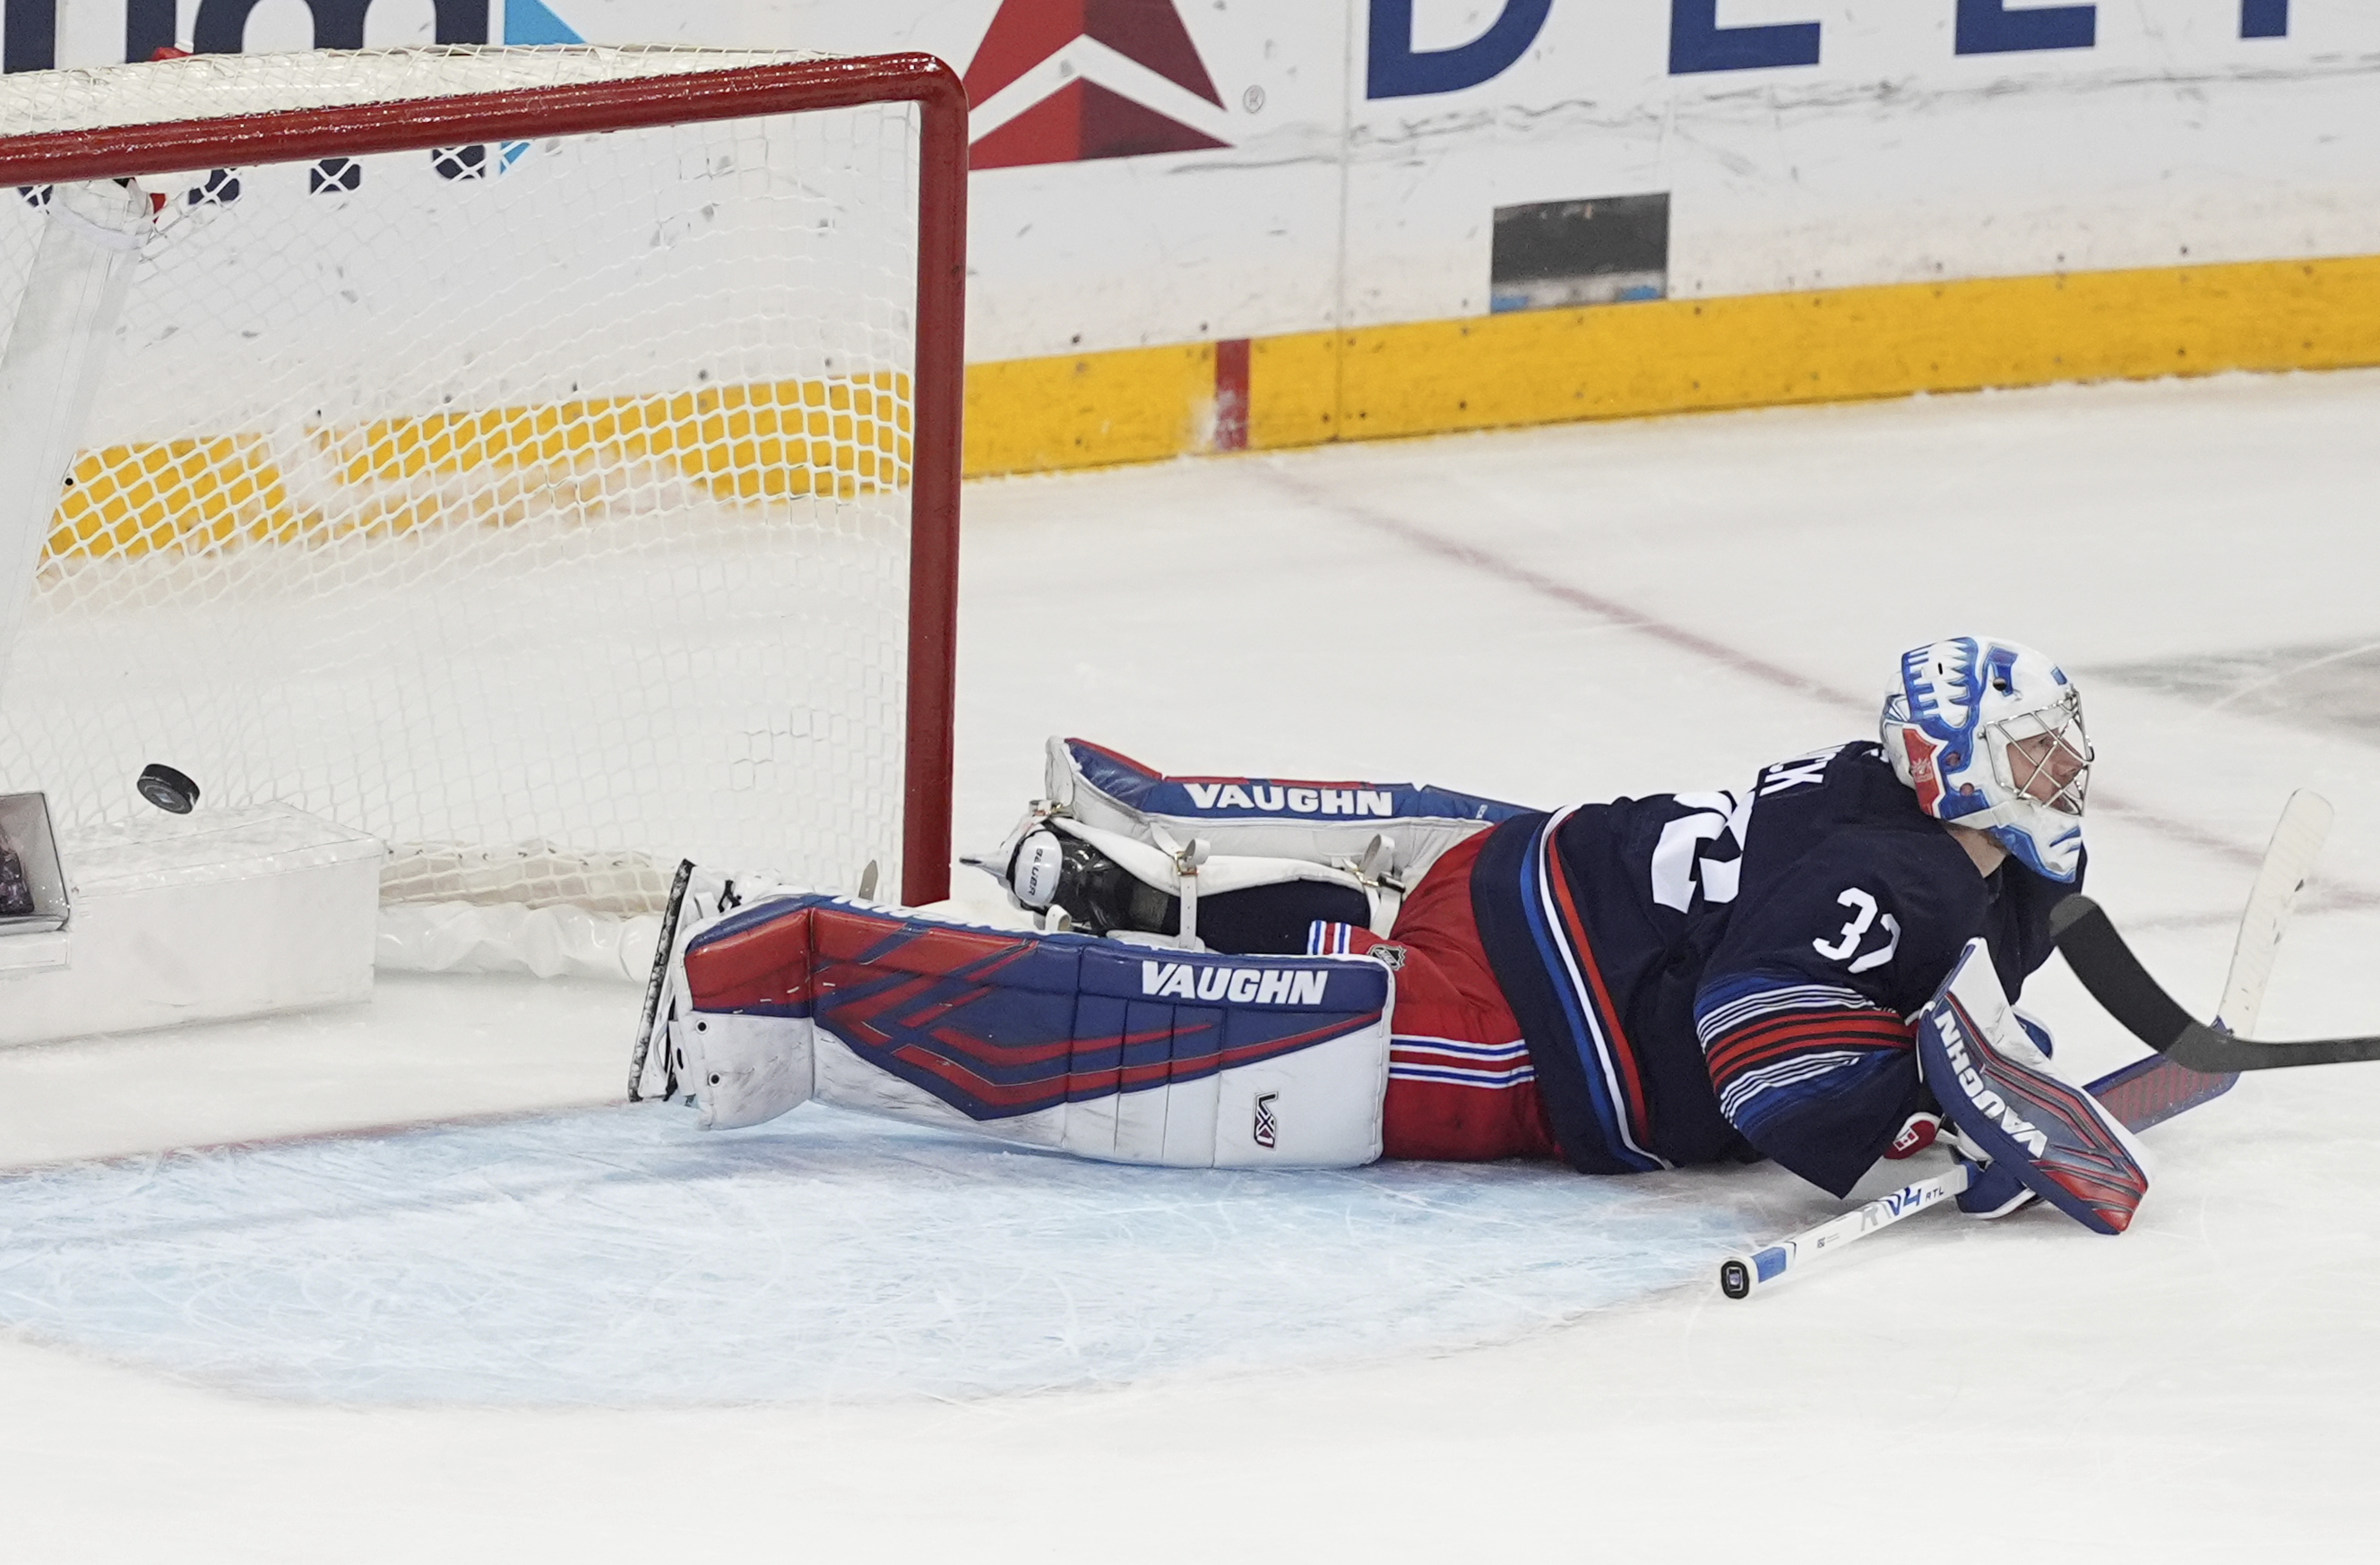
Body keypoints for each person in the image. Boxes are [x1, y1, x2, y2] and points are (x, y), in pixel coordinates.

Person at [637, 635, 2146, 1234]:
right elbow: (1754, 1052)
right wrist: (1917, 1135)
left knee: (1341, 946)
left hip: (1518, 862)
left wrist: (1965, 1047)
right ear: (1952, 768)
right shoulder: (1918, 876)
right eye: (2038, 757)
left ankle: (1118, 856)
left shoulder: (1873, 792)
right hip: (1528, 1040)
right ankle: (768, 994)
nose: (2065, 778)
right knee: (1173, 1037)